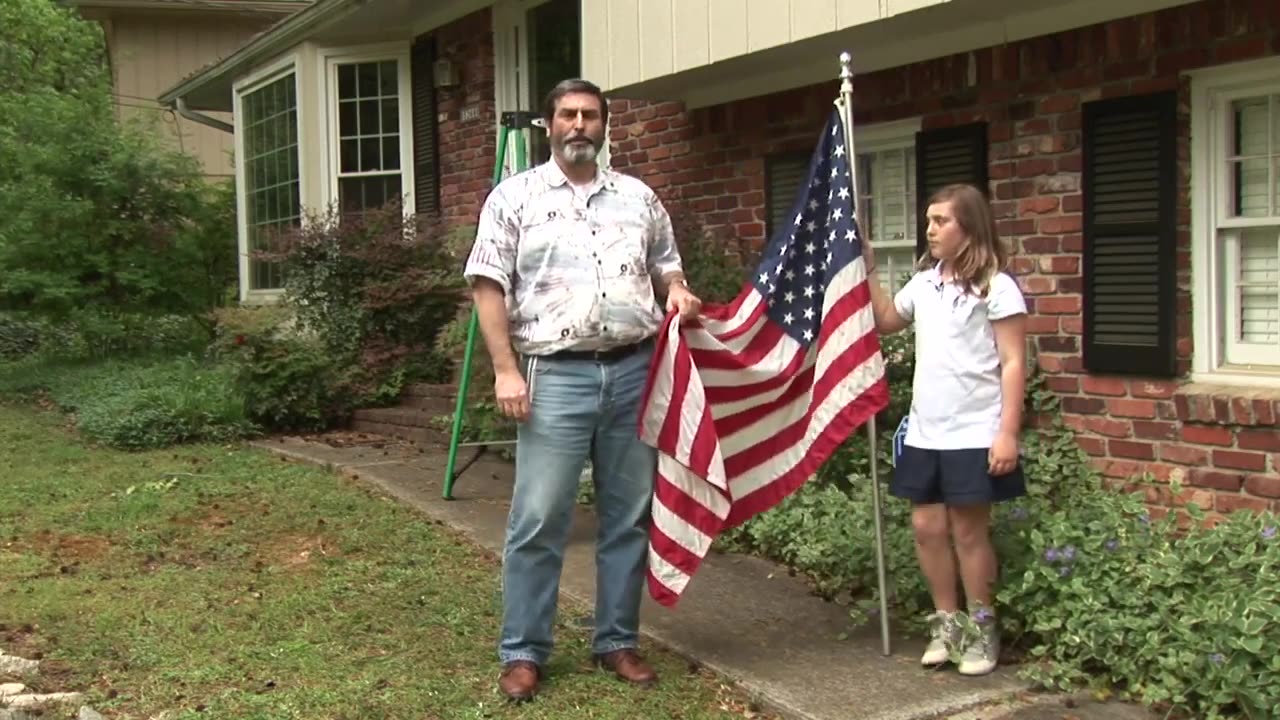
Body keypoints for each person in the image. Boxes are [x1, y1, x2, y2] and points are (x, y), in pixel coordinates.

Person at [462, 78, 702, 702]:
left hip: (633, 372)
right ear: (549, 125)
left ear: (604, 125)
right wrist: (504, 369)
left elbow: (666, 262)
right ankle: (523, 651)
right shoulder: (513, 198)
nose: (578, 125)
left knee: (628, 516)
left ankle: (616, 641)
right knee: (540, 517)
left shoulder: (639, 198)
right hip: (554, 375)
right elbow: (489, 286)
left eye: (589, 116)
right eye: (567, 114)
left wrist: (675, 288)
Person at [861, 183, 1027, 677]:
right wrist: (866, 269)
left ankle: (982, 628)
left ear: (969, 227)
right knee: (926, 527)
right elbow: (888, 319)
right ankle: (947, 624)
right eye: (929, 220)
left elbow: (1014, 362)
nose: (930, 230)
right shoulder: (926, 282)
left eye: (941, 221)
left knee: (968, 531)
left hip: (975, 431)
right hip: (926, 431)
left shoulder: (996, 287)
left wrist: (1007, 432)